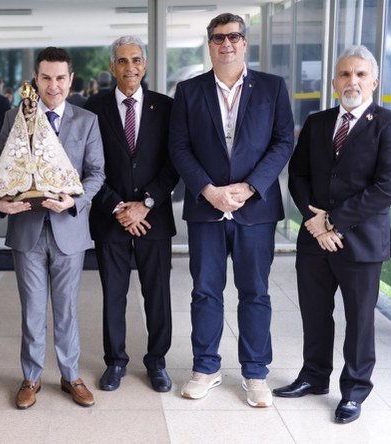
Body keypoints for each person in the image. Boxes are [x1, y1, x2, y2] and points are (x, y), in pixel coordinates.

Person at [274, 45, 391, 424]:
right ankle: (314, 377)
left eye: (361, 74)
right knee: (315, 315)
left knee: (359, 321)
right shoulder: (317, 123)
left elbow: (388, 187)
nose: (353, 81)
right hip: (314, 241)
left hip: (361, 242)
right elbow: (298, 175)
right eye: (346, 75)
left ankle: (353, 390)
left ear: (374, 81)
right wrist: (313, 221)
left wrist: (332, 221)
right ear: (334, 82)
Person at [168, 13, 294, 408]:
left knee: (254, 292)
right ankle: (205, 368)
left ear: (245, 42)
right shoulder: (188, 91)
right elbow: (179, 147)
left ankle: (256, 373)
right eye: (219, 37)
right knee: (205, 292)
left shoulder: (272, 88)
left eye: (234, 36)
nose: (227, 44)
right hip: (206, 209)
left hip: (255, 209)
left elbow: (283, 141)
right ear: (210, 44)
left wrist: (249, 186)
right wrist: (208, 190)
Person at [0, 46, 105, 410]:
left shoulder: (86, 121)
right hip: (26, 228)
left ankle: (71, 375)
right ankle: (31, 377)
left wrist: (75, 201)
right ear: (35, 80)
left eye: (60, 78)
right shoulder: (15, 117)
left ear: (70, 80)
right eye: (45, 78)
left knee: (67, 309)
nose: (52, 85)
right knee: (32, 310)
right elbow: (0, 173)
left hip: (68, 230)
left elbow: (97, 174)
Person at [84, 36, 178, 393]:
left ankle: (157, 361)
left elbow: (175, 162)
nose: (130, 67)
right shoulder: (92, 109)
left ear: (145, 64)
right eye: (122, 61)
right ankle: (116, 361)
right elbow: (86, 165)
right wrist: (118, 206)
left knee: (158, 295)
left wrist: (147, 203)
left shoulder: (166, 108)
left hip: (154, 217)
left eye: (136, 60)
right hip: (111, 218)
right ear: (112, 67)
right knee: (113, 295)